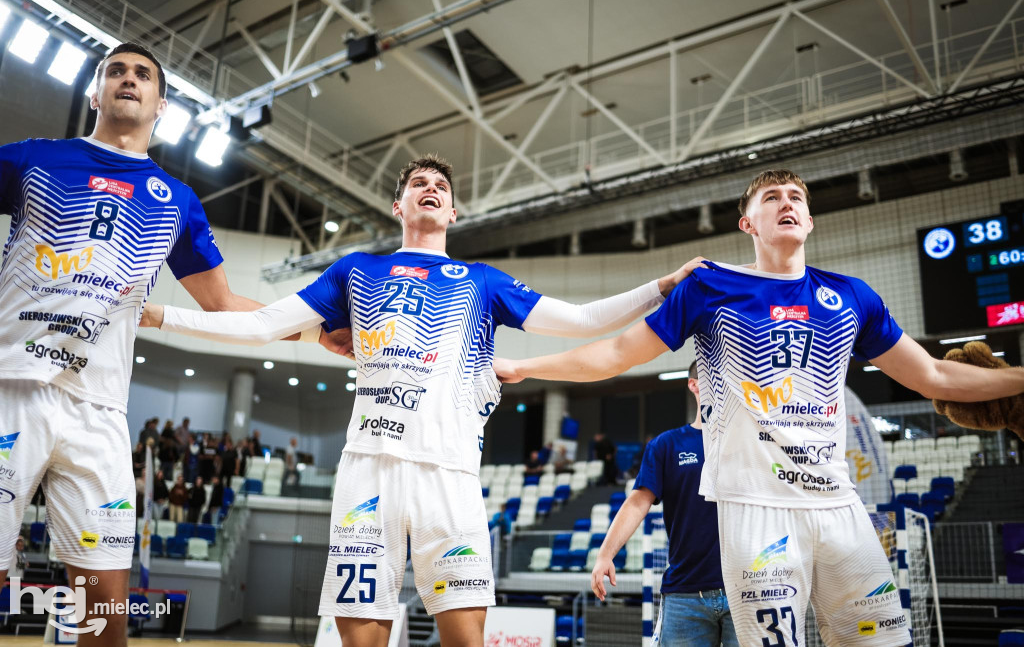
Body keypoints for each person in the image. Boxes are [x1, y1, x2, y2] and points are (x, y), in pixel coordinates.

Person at [138, 154, 699, 647]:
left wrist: (661, 287)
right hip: (368, 474)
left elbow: (581, 321)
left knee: (464, 641)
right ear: (397, 204)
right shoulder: (356, 270)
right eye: (419, 183)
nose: (431, 188)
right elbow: (261, 325)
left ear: (453, 213)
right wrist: (159, 314)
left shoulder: (481, 281)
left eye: (442, 187)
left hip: (449, 476)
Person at [494, 169, 1024, 645]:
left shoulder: (852, 296)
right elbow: (614, 353)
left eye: (796, 197)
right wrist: (525, 367)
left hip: (839, 508)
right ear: (748, 223)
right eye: (771, 197)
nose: (786, 202)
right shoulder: (710, 286)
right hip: (755, 509)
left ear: (810, 220)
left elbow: (932, 373)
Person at [0, 41, 353, 646]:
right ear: (95, 93)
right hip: (11, 389)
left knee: (104, 618)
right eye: (115, 71)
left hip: (100, 413)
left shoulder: (175, 200)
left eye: (143, 75)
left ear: (160, 104)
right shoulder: (36, 158)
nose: (128, 80)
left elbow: (225, 305)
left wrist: (320, 330)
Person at [591, 361, 736, 646]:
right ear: (694, 385)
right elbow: (636, 503)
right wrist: (605, 555)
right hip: (686, 595)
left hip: (747, 589)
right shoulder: (667, 445)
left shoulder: (754, 442)